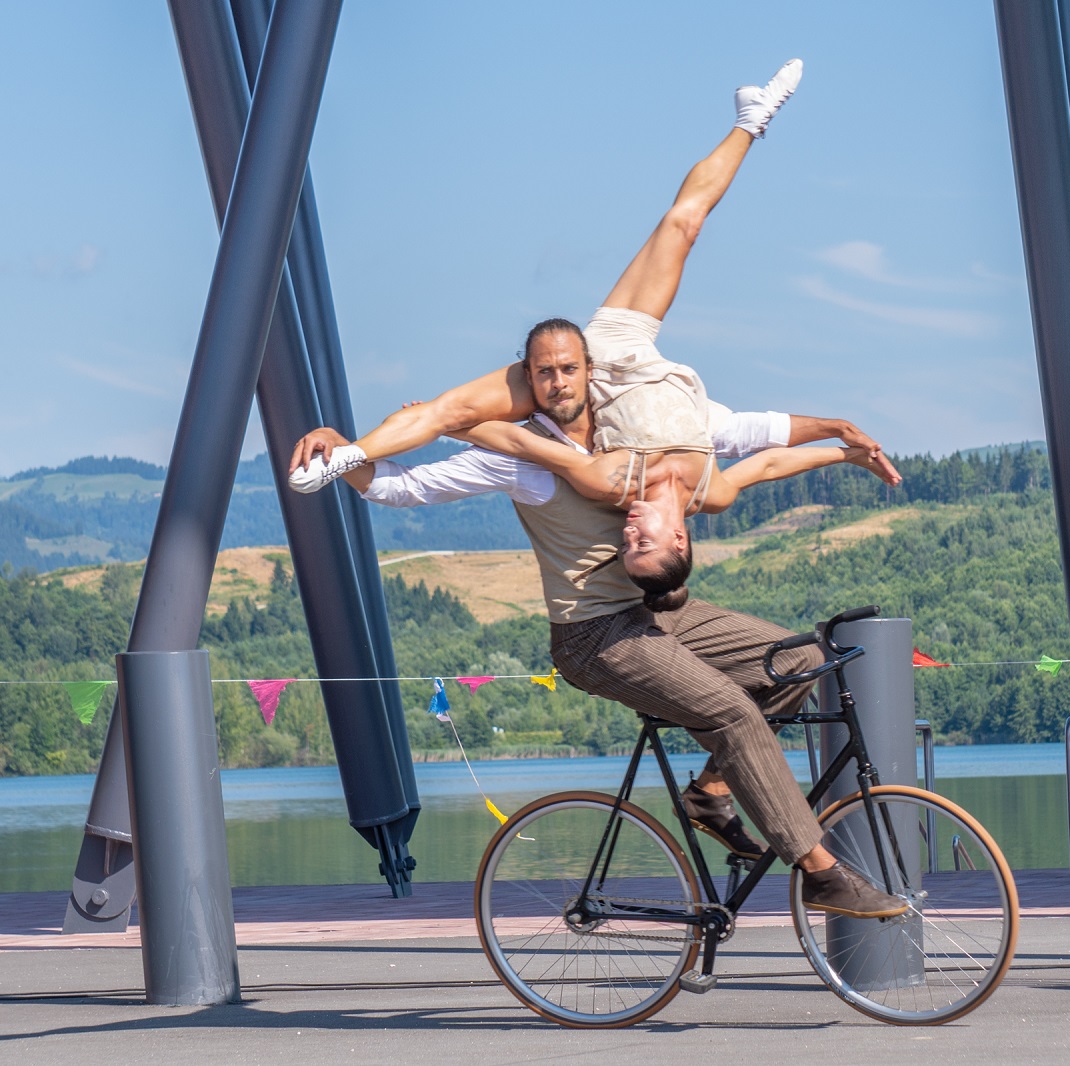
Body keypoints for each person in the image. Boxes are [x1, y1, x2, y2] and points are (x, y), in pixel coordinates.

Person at [295, 61, 908, 919]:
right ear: (529, 377)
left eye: (568, 370)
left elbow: (752, 437)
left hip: (660, 615)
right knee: (732, 709)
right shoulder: (540, 458)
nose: (557, 383)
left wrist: (838, 436)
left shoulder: (639, 424)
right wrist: (349, 453)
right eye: (541, 374)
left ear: (589, 368)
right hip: (594, 636)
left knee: (799, 660)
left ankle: (712, 795)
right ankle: (819, 870)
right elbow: (410, 477)